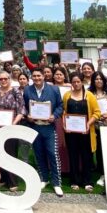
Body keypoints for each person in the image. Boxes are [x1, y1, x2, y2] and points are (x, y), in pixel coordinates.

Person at [23, 68, 65, 197]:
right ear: (32, 77)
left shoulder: (54, 89)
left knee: (52, 154)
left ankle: (56, 183)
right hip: (35, 127)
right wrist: (27, 115)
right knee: (39, 154)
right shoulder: (27, 90)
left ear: (44, 76)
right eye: (34, 76)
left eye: (39, 76)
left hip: (49, 127)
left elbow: (61, 106)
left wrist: (54, 115)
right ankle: (44, 178)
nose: (37, 78)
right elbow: (24, 107)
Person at [62, 72, 101, 192]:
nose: (76, 84)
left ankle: (87, 181)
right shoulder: (67, 95)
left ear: (82, 82)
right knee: (73, 156)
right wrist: (65, 124)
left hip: (86, 133)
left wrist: (88, 124)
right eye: (73, 82)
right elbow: (64, 112)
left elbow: (97, 113)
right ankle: (74, 180)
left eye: (78, 81)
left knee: (86, 157)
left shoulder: (89, 96)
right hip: (71, 133)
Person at [0, 70, 26, 191]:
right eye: (1, 79)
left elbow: (21, 110)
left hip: (11, 128)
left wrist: (13, 124)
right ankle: (2, 178)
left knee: (10, 153)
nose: (3, 81)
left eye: (5, 78)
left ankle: (12, 181)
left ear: (9, 79)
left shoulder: (16, 92)